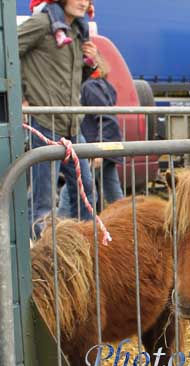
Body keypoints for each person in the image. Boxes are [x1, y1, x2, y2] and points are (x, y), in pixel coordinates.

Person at [19, 0, 98, 237]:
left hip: (72, 126)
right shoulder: (43, 23)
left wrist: (91, 63)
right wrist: (19, 96)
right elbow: (7, 52)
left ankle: (85, 249)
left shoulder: (76, 32)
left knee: (86, 194)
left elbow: (73, 80)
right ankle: (38, 261)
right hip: (45, 123)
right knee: (43, 201)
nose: (84, 2)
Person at [59, 55, 124, 210]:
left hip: (96, 148)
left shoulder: (89, 87)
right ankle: (129, 218)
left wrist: (99, 148)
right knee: (113, 193)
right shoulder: (101, 85)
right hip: (105, 147)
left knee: (71, 190)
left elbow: (105, 117)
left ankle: (59, 228)